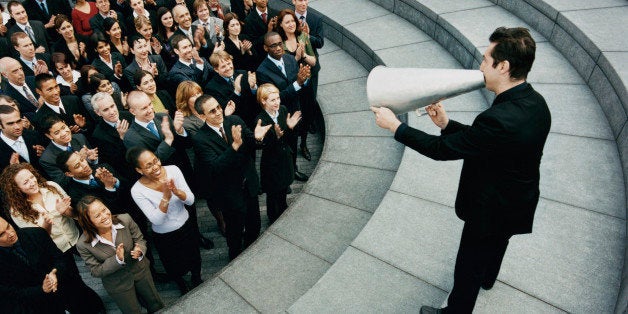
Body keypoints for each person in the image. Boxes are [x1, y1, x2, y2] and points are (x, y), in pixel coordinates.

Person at [371, 27, 551, 314]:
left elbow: (442, 151)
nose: (480, 66)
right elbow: (490, 142)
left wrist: (396, 127)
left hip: (490, 208)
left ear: (503, 67)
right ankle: (489, 277)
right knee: (498, 244)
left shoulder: (498, 118)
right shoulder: (536, 103)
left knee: (468, 265)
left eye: (485, 59)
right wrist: (446, 124)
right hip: (518, 200)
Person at [0, 163, 105, 313]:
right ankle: (93, 307)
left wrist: (66, 211)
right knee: (73, 281)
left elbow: (75, 215)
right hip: (57, 249)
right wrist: (46, 226)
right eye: (25, 182)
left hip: (75, 237)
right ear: (17, 189)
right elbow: (35, 241)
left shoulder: (51, 186)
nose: (32, 182)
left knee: (99, 264)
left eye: (31, 176)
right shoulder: (16, 211)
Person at [124, 90, 213, 250]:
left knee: (190, 206)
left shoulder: (161, 117)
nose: (150, 109)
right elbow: (151, 164)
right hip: (159, 183)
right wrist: (169, 139)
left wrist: (179, 131)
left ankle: (196, 234)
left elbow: (185, 144)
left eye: (150, 105)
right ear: (132, 111)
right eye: (144, 108)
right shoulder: (131, 137)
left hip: (182, 171)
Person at [192, 95, 270, 260]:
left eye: (218, 107)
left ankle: (251, 251)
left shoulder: (234, 119)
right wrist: (234, 145)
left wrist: (258, 138)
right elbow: (215, 167)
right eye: (212, 111)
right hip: (229, 194)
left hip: (249, 185)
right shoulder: (200, 139)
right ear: (202, 116)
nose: (218, 112)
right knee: (234, 232)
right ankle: (235, 256)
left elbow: (250, 141)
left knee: (254, 226)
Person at [127, 147, 202, 294]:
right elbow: (156, 219)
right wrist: (166, 197)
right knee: (173, 265)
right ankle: (181, 285)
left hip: (186, 225)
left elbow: (191, 200)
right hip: (165, 235)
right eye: (148, 165)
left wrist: (177, 192)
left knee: (194, 256)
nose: (156, 167)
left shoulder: (173, 170)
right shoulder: (137, 190)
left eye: (156, 161)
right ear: (139, 170)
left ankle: (196, 278)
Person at [75, 195, 165, 313]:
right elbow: (96, 271)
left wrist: (140, 250)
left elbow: (140, 239)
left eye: (104, 209)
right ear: (88, 222)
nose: (105, 216)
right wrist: (116, 260)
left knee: (156, 304)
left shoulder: (125, 219)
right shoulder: (83, 244)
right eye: (97, 215)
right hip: (117, 284)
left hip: (141, 272)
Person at [256, 31, 310, 182]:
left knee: (293, 144)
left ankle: (293, 170)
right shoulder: (262, 71)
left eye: (280, 44)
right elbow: (276, 98)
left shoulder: (290, 59)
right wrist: (298, 83)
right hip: (278, 116)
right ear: (266, 48)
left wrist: (304, 79)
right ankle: (284, 178)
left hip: (294, 111)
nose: (278, 48)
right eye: (273, 46)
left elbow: (299, 83)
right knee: (281, 149)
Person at [255, 83, 300, 223]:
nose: (277, 102)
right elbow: (263, 145)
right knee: (273, 193)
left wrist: (290, 129)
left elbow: (288, 139)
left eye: (278, 98)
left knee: (283, 189)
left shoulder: (283, 110)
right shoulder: (260, 119)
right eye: (273, 100)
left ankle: (283, 208)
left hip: (284, 158)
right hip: (271, 163)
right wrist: (276, 137)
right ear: (263, 101)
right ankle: (273, 217)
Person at [38, 115, 98, 186]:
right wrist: (80, 159)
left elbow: (94, 166)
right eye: (57, 133)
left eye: (63, 127)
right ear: (49, 136)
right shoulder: (47, 159)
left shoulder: (79, 138)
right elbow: (63, 182)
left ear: (65, 123)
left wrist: (92, 160)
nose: (64, 133)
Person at [205, 50, 258, 130]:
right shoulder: (211, 88)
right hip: (236, 126)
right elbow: (225, 110)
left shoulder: (243, 73)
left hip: (254, 119)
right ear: (216, 69)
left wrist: (253, 87)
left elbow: (255, 100)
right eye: (223, 66)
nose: (228, 68)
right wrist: (236, 92)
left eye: (229, 63)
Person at [0, 104, 45, 172]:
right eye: (10, 123)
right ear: (0, 125)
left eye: (18, 121)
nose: (17, 127)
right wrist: (12, 170)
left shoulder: (34, 135)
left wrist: (45, 153)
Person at [241, 0, 278, 67]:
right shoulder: (249, 20)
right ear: (254, 1)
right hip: (262, 60)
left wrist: (277, 27)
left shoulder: (276, 13)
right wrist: (268, 32)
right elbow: (253, 43)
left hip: (278, 54)